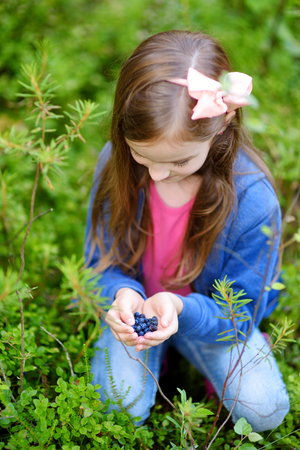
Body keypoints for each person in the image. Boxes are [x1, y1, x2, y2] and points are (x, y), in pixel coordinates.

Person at [84, 30, 289, 431]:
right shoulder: (115, 163)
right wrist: (121, 294)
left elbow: (240, 310)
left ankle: (191, 352)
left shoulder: (253, 198)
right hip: (138, 315)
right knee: (116, 410)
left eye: (178, 162)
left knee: (264, 410)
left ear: (223, 124)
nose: (157, 174)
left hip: (209, 319)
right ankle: (158, 357)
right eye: (141, 155)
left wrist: (181, 309)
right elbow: (99, 261)